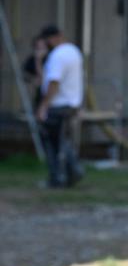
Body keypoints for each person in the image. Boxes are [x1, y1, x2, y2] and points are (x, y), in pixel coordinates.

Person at [35, 24, 85, 188]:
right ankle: (73, 172)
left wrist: (44, 106)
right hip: (72, 103)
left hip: (58, 104)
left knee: (52, 143)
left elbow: (53, 82)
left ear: (53, 38)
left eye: (47, 40)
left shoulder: (57, 56)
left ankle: (58, 177)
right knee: (63, 142)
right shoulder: (74, 51)